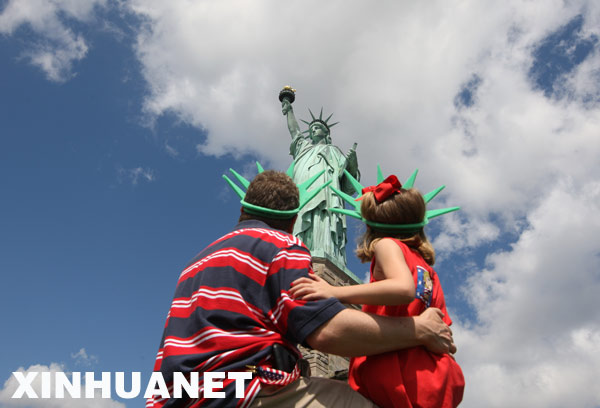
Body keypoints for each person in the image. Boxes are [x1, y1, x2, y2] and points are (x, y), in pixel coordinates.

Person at [147, 169, 456, 408]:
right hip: (241, 391)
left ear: (242, 212)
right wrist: (420, 330)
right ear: (294, 221)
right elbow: (328, 333)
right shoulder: (281, 245)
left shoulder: (194, 264)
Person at [290, 174, 465, 408]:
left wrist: (333, 291)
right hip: (433, 374)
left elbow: (403, 289)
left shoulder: (386, 244)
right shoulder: (425, 268)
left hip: (401, 374)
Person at [282, 96, 359, 269]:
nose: (313, 131)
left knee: (323, 218)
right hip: (303, 192)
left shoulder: (334, 151)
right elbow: (295, 132)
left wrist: (352, 163)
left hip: (326, 193)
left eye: (317, 128)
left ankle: (326, 250)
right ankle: (298, 253)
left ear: (326, 132)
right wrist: (289, 111)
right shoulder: (304, 148)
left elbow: (348, 182)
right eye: (311, 128)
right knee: (300, 218)